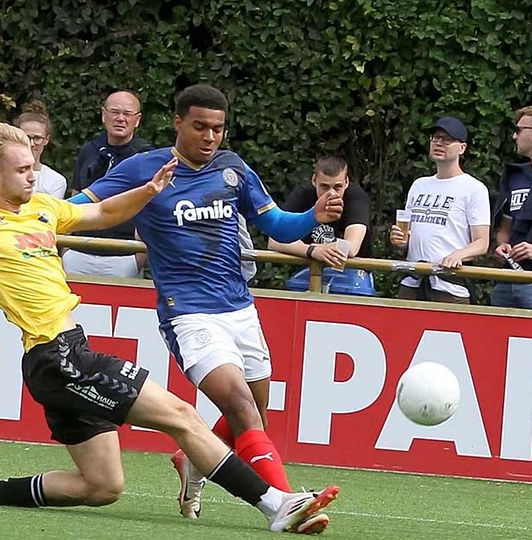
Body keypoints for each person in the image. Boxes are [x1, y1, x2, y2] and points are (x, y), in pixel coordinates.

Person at [0, 122, 338, 534]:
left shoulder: (43, 209)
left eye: (34, 166)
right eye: (23, 170)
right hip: (60, 358)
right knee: (183, 417)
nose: (34, 175)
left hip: (60, 359)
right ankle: (276, 504)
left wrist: (149, 191)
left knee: (102, 486)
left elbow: (102, 214)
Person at [70, 84, 345, 520]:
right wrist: (27, 216)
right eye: (200, 126)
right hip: (189, 314)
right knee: (239, 406)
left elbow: (275, 223)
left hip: (239, 309)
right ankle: (287, 504)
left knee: (253, 417)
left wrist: (314, 216)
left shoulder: (232, 169)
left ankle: (192, 461)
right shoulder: (145, 167)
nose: (210, 137)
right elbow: (79, 206)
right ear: (177, 122)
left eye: (218, 128)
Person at [390, 117, 491, 303]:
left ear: (462, 148)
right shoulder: (419, 185)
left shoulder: (474, 188)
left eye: (447, 139)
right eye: (435, 138)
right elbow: (409, 236)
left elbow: (482, 242)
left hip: (449, 284)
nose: (439, 143)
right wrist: (401, 241)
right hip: (412, 280)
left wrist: (458, 255)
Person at [64, 91, 154, 278]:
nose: (120, 118)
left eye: (127, 114)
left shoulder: (146, 158)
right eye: (115, 112)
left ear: (137, 120)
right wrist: (66, 249)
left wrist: (138, 258)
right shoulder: (89, 150)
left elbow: (150, 209)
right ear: (103, 115)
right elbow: (76, 196)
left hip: (123, 257)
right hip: (79, 252)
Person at [269, 156, 374, 295]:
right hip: (306, 273)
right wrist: (313, 251)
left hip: (353, 279)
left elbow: (351, 248)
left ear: (347, 182)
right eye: (325, 186)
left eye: (337, 187)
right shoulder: (303, 194)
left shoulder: (356, 197)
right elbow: (275, 241)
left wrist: (309, 248)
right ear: (314, 181)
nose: (331, 193)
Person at [491, 105, 532, 310]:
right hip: (507, 278)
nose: (514, 136)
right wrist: (502, 246)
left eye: (519, 130)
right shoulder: (515, 176)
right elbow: (504, 229)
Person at [0, 101, 66, 199]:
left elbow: (51, 212)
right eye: (26, 137)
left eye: (37, 138)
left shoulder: (56, 180)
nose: (31, 144)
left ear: (46, 139)